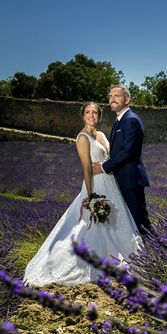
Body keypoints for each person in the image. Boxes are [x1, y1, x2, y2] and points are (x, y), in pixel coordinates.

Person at [23, 102, 143, 286]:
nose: (91, 115)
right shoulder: (82, 138)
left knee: (118, 220)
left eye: (95, 112)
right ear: (83, 115)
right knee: (91, 226)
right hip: (95, 185)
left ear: (99, 116)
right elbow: (86, 168)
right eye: (88, 112)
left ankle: (122, 255)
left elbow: (109, 159)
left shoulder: (101, 134)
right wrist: (90, 196)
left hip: (111, 182)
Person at [92, 85, 151, 233]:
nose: (112, 99)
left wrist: (104, 167)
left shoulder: (131, 120)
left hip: (130, 179)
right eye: (110, 96)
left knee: (140, 222)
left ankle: (156, 252)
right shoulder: (119, 120)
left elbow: (128, 151)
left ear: (127, 99)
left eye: (117, 96)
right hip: (120, 178)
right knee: (129, 223)